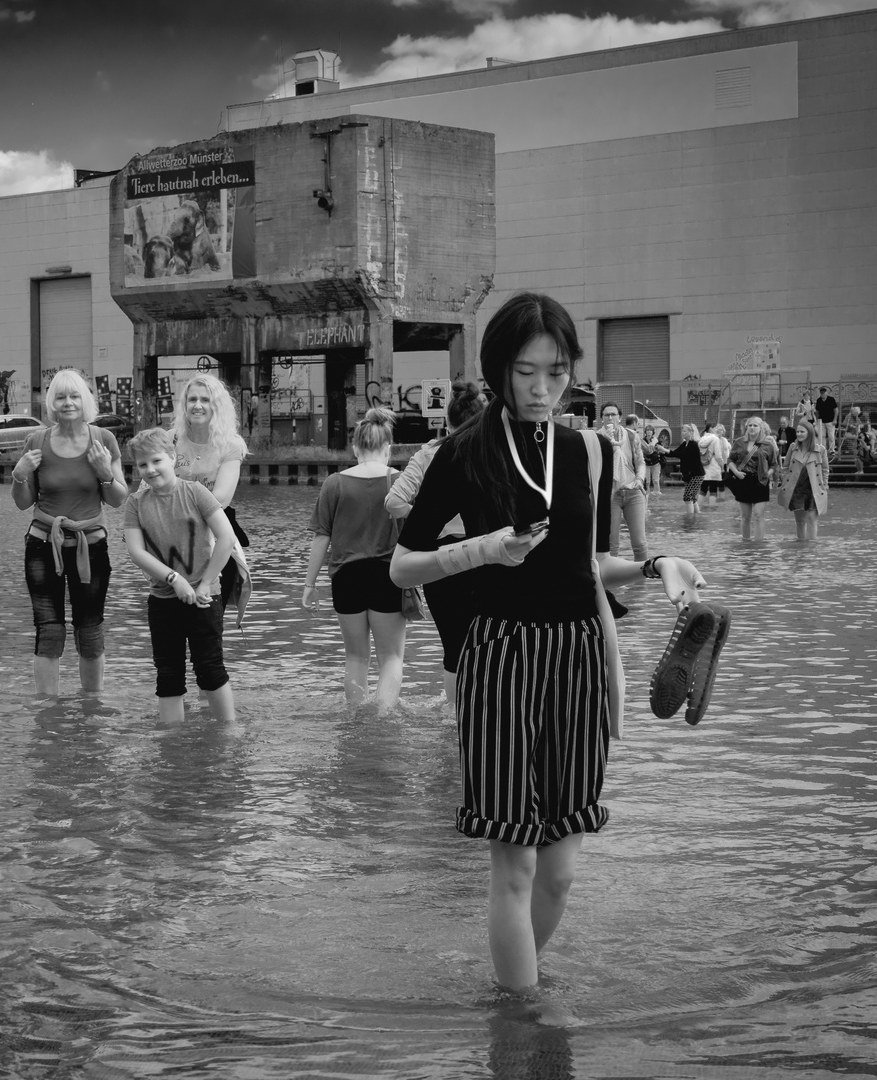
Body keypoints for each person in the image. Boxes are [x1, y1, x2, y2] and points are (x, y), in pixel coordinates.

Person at [389, 292, 706, 994]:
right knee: (517, 863)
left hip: (577, 657)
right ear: (498, 368)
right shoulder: (461, 454)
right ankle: (525, 1015)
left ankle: (509, 990)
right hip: (500, 655)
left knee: (559, 874)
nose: (541, 389)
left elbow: (591, 565)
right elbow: (402, 564)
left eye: (556, 373)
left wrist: (658, 568)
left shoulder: (590, 450)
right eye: (526, 372)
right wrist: (480, 551)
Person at [11, 369, 128, 697]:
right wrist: (19, 475)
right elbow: (23, 504)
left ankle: (91, 707)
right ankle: (49, 711)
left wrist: (105, 473)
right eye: (60, 397)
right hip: (42, 543)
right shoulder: (37, 441)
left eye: (74, 396)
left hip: (89, 546)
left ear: (85, 400)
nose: (68, 403)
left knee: (89, 629)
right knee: (48, 630)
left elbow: (118, 500)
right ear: (52, 403)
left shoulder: (103, 440)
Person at [384, 379, 489, 707]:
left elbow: (394, 501)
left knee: (453, 646)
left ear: (447, 421)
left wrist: (430, 517)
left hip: (440, 561)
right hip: (487, 554)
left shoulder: (429, 452)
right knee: (490, 641)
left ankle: (455, 720)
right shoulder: (491, 451)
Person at [122, 428, 238, 723]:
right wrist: (174, 579)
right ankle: (172, 741)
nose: (150, 470)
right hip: (162, 599)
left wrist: (208, 582)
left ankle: (229, 730)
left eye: (157, 461)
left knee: (210, 668)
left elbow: (225, 538)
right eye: (142, 465)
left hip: (204, 598)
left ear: (173, 458)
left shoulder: (196, 492)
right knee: (168, 671)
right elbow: (137, 552)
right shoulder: (136, 503)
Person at [302, 407, 409, 712]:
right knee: (391, 657)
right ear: (388, 448)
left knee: (355, 657)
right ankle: (384, 718)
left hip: (346, 578)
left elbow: (321, 536)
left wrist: (310, 584)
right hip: (388, 575)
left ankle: (355, 719)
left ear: (355, 448)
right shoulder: (399, 481)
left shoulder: (334, 483)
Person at [170, 373, 249, 601]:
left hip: (215, 533)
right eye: (192, 399)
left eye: (205, 400)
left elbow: (221, 498)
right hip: (172, 535)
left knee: (209, 620)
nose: (197, 406)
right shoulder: (170, 440)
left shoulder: (230, 446)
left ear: (217, 406)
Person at [597, 402, 648, 560]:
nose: (610, 417)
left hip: (633, 491)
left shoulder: (631, 436)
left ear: (620, 417)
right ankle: (610, 583)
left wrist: (639, 479)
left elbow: (640, 462)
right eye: (607, 415)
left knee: (640, 544)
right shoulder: (596, 438)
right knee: (611, 545)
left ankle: (641, 583)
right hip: (609, 495)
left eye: (614, 414)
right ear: (601, 418)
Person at [724, 416, 776, 541]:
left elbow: (774, 464)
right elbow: (730, 460)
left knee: (758, 515)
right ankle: (745, 542)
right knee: (745, 516)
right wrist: (736, 472)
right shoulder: (739, 442)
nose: (752, 428)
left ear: (761, 428)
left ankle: (759, 543)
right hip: (743, 480)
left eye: (755, 425)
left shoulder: (768, 444)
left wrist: (768, 474)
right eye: (750, 425)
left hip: (760, 481)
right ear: (746, 427)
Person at [778, 419, 829, 541]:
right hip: (796, 487)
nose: (799, 434)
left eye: (802, 432)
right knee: (800, 521)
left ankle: (811, 546)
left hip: (814, 488)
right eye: (798, 432)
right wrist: (785, 481)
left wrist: (825, 485)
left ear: (809, 433)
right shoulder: (792, 447)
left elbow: (825, 470)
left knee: (812, 519)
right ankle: (801, 546)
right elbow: (785, 467)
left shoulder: (820, 449)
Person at [666, 422, 706, 515]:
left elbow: (683, 455)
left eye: (684, 431)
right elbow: (674, 453)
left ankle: (689, 519)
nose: (682, 433)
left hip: (696, 474)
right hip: (689, 475)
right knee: (692, 497)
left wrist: (665, 450)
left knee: (688, 497)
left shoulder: (693, 444)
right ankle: (696, 516)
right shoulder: (685, 444)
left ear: (690, 432)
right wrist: (662, 451)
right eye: (682, 431)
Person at [644, 427, 672, 493]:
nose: (649, 432)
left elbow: (662, 451)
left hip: (656, 463)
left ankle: (657, 493)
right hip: (646, 463)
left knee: (656, 480)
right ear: (645, 432)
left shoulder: (656, 441)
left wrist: (657, 449)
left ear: (653, 432)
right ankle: (646, 493)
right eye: (647, 430)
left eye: (650, 430)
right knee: (647, 481)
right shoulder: (643, 441)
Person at [815, 387, 838, 455]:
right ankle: (823, 449)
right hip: (821, 421)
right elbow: (817, 411)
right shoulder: (818, 400)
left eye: (824, 393)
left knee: (831, 436)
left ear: (826, 393)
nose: (823, 394)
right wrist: (817, 421)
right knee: (822, 436)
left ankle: (831, 450)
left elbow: (836, 410)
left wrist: (835, 419)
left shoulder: (831, 399)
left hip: (830, 421)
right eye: (821, 393)